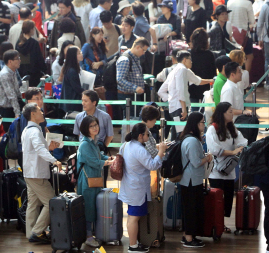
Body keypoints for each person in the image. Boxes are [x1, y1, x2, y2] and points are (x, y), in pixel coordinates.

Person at [118, 122, 166, 253]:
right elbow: (152, 165)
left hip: (131, 185)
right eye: (147, 134)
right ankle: (132, 246)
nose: (148, 136)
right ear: (140, 135)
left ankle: (134, 243)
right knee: (134, 217)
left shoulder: (127, 145)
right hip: (137, 187)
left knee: (132, 215)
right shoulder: (139, 149)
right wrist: (160, 152)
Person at [21, 103, 62, 243]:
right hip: (36, 173)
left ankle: (31, 232)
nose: (42, 112)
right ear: (33, 114)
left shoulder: (28, 130)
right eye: (39, 110)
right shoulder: (34, 131)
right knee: (51, 202)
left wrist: (49, 147)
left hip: (29, 172)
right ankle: (37, 232)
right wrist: (54, 160)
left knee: (33, 204)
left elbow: (36, 149)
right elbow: (39, 149)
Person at [206, 102, 246, 231]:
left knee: (227, 200)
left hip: (229, 170)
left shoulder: (232, 128)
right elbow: (213, 149)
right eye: (229, 111)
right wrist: (232, 152)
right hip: (216, 170)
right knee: (217, 199)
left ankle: (221, 224)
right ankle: (215, 225)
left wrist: (239, 149)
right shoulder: (212, 129)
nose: (232, 113)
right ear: (222, 113)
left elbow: (243, 142)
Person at [76, 115, 114, 247]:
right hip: (87, 181)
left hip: (94, 179)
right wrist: (109, 162)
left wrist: (109, 158)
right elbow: (93, 161)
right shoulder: (85, 144)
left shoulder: (92, 141)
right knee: (89, 208)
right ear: (85, 128)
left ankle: (92, 234)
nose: (95, 128)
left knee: (94, 206)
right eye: (91, 126)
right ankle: (88, 236)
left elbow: (98, 155)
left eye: (96, 125)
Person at [158, 50, 212, 139]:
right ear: (184, 60)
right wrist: (183, 108)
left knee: (177, 133)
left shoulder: (179, 70)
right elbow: (180, 90)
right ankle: (175, 152)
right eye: (190, 59)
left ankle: (173, 152)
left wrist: (211, 81)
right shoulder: (182, 70)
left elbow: (198, 81)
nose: (191, 61)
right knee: (180, 134)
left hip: (175, 107)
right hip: (180, 108)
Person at [178, 112, 210, 248]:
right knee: (191, 210)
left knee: (191, 209)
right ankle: (189, 239)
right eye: (202, 122)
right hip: (190, 180)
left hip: (191, 179)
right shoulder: (191, 141)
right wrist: (207, 158)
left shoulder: (190, 138)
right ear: (196, 124)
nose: (204, 125)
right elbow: (196, 162)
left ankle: (188, 235)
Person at [117, 38, 150, 117]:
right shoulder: (125, 60)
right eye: (143, 50)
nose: (144, 53)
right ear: (138, 47)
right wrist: (135, 88)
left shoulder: (136, 58)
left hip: (134, 96)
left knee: (135, 118)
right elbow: (120, 79)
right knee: (130, 120)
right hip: (127, 96)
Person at [228, 0, 256, 70]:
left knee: (233, 56)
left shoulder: (229, 2)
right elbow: (252, 21)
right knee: (249, 57)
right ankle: (246, 78)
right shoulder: (247, 3)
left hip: (232, 33)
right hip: (244, 35)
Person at [188, 29, 216, 105]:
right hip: (206, 85)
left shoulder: (189, 54)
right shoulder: (209, 54)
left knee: (194, 109)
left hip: (192, 86)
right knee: (206, 110)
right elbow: (213, 72)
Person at [0, 49, 24, 121]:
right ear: (10, 61)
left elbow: (17, 91)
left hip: (11, 108)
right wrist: (17, 113)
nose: (20, 60)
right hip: (5, 111)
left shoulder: (12, 71)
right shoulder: (5, 74)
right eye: (17, 59)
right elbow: (11, 95)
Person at [17, 20, 46, 86]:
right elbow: (39, 59)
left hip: (21, 73)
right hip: (34, 74)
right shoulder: (34, 43)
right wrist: (44, 70)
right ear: (30, 30)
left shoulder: (18, 43)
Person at [59, 47, 84, 112]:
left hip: (70, 102)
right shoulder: (72, 71)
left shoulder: (72, 69)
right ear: (74, 56)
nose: (81, 54)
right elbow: (77, 88)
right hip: (72, 103)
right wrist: (88, 92)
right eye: (79, 53)